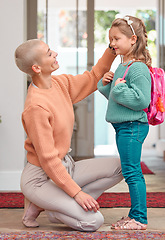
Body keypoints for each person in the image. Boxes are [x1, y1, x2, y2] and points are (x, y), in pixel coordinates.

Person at [15, 39, 123, 232]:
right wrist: (77, 194)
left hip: (66, 167)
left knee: (122, 167)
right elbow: (48, 160)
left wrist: (112, 49)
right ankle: (54, 208)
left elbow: (94, 77)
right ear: (37, 68)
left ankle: (54, 204)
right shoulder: (35, 107)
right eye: (49, 53)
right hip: (39, 179)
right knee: (93, 222)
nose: (55, 53)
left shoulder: (59, 84)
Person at [97, 16, 152, 230]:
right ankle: (134, 214)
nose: (112, 43)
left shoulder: (138, 68)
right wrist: (106, 85)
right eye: (110, 39)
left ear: (132, 39)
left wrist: (118, 88)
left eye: (116, 38)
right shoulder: (123, 66)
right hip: (124, 126)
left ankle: (139, 218)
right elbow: (117, 97)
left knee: (132, 171)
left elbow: (141, 100)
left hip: (132, 126)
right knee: (130, 170)